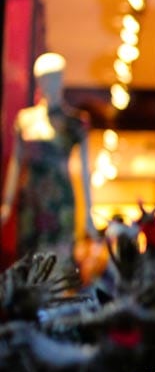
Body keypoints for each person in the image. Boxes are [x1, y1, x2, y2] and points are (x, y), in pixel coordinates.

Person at [0, 52, 96, 274]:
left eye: (55, 77)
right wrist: (6, 204)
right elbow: (16, 162)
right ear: (38, 81)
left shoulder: (76, 122)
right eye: (45, 78)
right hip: (31, 199)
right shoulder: (25, 120)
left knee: (58, 261)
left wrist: (88, 214)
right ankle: (30, 305)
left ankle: (54, 303)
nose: (50, 83)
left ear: (62, 79)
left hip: (60, 200)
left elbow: (84, 170)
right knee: (29, 262)